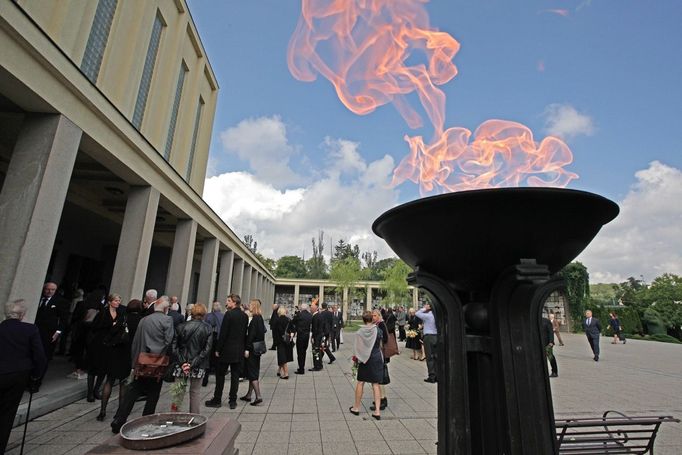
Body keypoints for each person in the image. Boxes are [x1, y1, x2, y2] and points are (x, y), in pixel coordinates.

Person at [110, 296, 174, 433]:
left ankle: (120, 419)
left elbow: (136, 342)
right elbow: (169, 341)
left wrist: (134, 362)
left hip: (141, 360)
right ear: (165, 309)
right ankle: (147, 420)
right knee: (153, 393)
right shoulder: (167, 320)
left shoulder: (144, 319)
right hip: (157, 361)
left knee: (134, 390)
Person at [0, 300, 47, 454]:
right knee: (7, 412)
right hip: (18, 375)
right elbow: (40, 356)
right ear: (21, 314)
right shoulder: (30, 329)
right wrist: (35, 376)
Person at [89, 294, 131, 421]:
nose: (118, 302)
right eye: (116, 300)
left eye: (119, 300)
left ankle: (99, 398)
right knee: (102, 372)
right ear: (110, 302)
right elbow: (94, 327)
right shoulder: (103, 313)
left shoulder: (121, 314)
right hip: (103, 344)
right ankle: (94, 395)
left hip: (112, 347)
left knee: (109, 378)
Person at [205, 294, 248, 409]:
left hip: (227, 350)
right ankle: (232, 400)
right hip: (239, 349)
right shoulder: (244, 316)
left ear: (234, 302)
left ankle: (217, 399)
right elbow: (244, 334)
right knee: (235, 376)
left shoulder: (229, 314)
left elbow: (223, 333)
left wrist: (218, 349)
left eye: (229, 301)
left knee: (220, 375)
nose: (227, 302)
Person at [172, 303, 213, 413]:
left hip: (181, 365)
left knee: (178, 392)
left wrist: (183, 363)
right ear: (204, 314)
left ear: (191, 313)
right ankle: (195, 417)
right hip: (198, 365)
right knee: (195, 392)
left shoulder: (181, 326)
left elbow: (174, 347)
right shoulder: (207, 328)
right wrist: (192, 363)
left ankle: (174, 415)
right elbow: (206, 349)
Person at [348, 311, 383, 420]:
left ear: (363, 320)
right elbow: (382, 341)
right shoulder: (378, 330)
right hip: (376, 357)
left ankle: (356, 407)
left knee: (361, 382)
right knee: (375, 384)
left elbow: (357, 348)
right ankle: (377, 411)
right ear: (372, 319)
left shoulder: (359, 332)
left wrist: (357, 358)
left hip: (364, 359)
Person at [34, 282, 70, 364]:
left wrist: (58, 332)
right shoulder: (38, 298)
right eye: (48, 289)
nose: (50, 291)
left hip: (49, 332)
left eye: (53, 290)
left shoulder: (60, 301)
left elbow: (64, 319)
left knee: (45, 354)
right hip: (35, 329)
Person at [241, 299, 266, 406]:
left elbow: (251, 335)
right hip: (258, 348)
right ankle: (249, 394)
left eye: (250, 305)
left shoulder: (255, 319)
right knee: (253, 371)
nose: (248, 306)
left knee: (252, 372)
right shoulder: (260, 318)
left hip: (252, 348)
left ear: (254, 306)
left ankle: (258, 396)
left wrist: (247, 348)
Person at [203, 301, 225, 386]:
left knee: (207, 359)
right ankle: (218, 380)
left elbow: (206, 326)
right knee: (217, 361)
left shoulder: (208, 316)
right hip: (219, 340)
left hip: (209, 339)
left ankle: (205, 380)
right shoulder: (223, 316)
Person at [417, 303, 438, 382]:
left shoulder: (428, 315)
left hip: (429, 337)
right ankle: (437, 375)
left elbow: (417, 313)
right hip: (436, 336)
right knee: (436, 357)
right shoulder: (436, 315)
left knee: (429, 357)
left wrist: (424, 308)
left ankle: (432, 376)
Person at [272, 306, 294, 379]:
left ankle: (286, 373)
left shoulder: (277, 321)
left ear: (279, 312)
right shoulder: (289, 320)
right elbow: (293, 330)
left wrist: (275, 343)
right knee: (283, 356)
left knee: (282, 357)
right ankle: (279, 370)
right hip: (287, 341)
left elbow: (275, 333)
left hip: (280, 341)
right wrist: (290, 337)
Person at [291, 303, 312, 374]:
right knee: (304, 352)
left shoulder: (299, 315)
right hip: (307, 336)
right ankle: (302, 367)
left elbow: (293, 321)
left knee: (300, 352)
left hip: (300, 336)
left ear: (301, 308)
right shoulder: (310, 315)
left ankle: (301, 369)